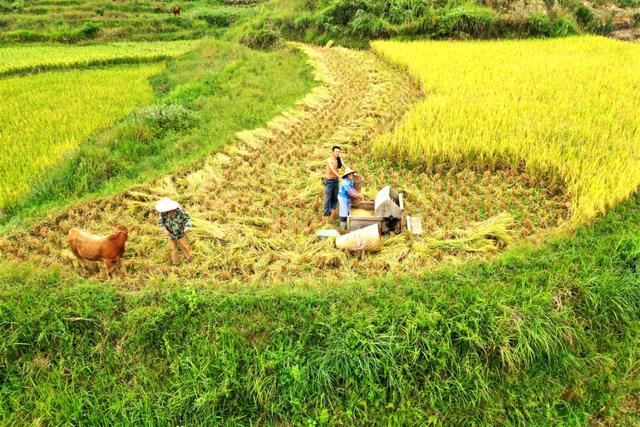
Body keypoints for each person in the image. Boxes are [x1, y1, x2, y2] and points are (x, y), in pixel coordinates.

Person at [156, 197, 192, 266]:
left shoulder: (180, 211)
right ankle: (176, 263)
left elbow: (187, 219)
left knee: (184, 246)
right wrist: (164, 229)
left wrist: (187, 227)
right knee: (173, 248)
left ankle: (189, 259)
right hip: (170, 234)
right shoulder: (163, 213)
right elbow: (161, 222)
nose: (168, 211)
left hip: (180, 232)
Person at [323, 145, 343, 217]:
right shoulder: (329, 160)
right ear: (333, 152)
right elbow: (332, 169)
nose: (337, 153)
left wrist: (352, 172)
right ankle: (326, 213)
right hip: (329, 181)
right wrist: (339, 176)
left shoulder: (339, 159)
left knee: (335, 196)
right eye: (336, 151)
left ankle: (333, 209)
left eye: (339, 152)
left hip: (336, 180)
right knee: (328, 197)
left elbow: (344, 165)